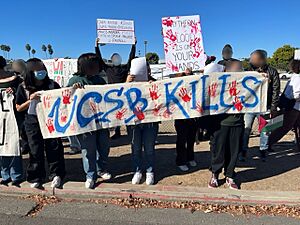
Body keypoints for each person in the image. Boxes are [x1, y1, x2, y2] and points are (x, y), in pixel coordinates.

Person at [15, 58, 65, 189]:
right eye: (37, 70)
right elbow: (18, 107)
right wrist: (30, 100)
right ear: (30, 71)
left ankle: (56, 174)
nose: (41, 72)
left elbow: (63, 100)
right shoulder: (23, 87)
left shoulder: (52, 85)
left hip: (51, 121)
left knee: (54, 148)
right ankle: (35, 176)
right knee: (35, 150)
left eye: (42, 69)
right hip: (32, 123)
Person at [68, 53, 111, 189]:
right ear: (85, 66)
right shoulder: (75, 79)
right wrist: (73, 89)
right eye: (95, 64)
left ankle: (101, 169)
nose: (97, 67)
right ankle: (90, 175)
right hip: (84, 123)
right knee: (88, 150)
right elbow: (66, 99)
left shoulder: (100, 80)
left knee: (104, 147)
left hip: (101, 121)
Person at [208, 60, 244, 190]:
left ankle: (230, 175)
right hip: (220, 123)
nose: (239, 71)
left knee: (233, 152)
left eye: (240, 69)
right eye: (236, 68)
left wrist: (263, 80)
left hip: (237, 122)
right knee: (218, 151)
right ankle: (215, 175)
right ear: (226, 70)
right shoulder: (218, 83)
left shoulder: (245, 83)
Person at [241, 50, 280, 161]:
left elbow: (275, 90)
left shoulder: (272, 72)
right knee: (246, 129)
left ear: (261, 59)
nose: (250, 60)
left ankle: (263, 150)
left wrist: (273, 106)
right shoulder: (248, 71)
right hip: (249, 107)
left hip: (265, 107)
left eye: (253, 58)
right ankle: (243, 151)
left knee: (265, 130)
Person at [95, 38, 136, 139]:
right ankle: (116, 132)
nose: (116, 59)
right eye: (114, 58)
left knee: (126, 111)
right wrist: (96, 46)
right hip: (112, 95)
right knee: (115, 114)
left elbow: (131, 58)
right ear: (112, 60)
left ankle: (129, 131)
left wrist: (133, 45)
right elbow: (99, 59)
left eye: (117, 58)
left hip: (124, 94)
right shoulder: (108, 68)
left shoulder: (124, 68)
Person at [127, 63, 159, 185]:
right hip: (133, 122)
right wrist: (126, 83)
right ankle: (137, 171)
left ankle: (150, 172)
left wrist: (154, 86)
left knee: (149, 149)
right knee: (135, 148)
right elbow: (121, 95)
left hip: (149, 122)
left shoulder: (155, 82)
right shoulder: (128, 82)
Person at [0, 56, 23, 187]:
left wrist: (14, 91)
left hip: (12, 117)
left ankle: (16, 175)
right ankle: (5, 174)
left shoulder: (16, 79)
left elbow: (23, 92)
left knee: (13, 144)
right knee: (1, 146)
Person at [268, 60, 300, 150]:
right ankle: (268, 143)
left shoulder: (294, 77)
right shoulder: (298, 78)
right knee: (284, 127)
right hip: (294, 107)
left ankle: (268, 143)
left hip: (293, 106)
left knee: (291, 126)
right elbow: (295, 95)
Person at [174, 68, 198, 171]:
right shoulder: (176, 83)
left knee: (191, 139)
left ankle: (190, 157)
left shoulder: (195, 82)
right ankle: (181, 161)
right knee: (181, 140)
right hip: (181, 118)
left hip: (192, 117)